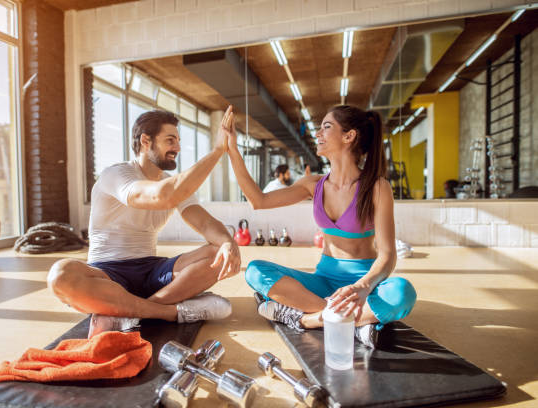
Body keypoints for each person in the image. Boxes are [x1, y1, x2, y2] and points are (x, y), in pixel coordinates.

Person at [227, 105, 416, 348]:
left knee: (402, 293)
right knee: (255, 271)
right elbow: (258, 200)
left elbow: (388, 256)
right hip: (323, 281)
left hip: (364, 282)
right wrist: (232, 150)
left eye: (326, 127)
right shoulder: (313, 185)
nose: (318, 134)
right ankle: (353, 321)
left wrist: (362, 286)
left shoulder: (378, 188)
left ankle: (308, 320)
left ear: (349, 136)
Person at [48, 107, 241, 337]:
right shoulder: (117, 175)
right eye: (170, 140)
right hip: (108, 273)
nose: (177, 148)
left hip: (152, 271)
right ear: (146, 141)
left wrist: (228, 243)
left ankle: (129, 310)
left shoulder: (174, 185)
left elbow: (206, 224)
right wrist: (218, 150)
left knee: (220, 251)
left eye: (178, 141)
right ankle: (170, 312)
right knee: (61, 276)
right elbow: (161, 195)